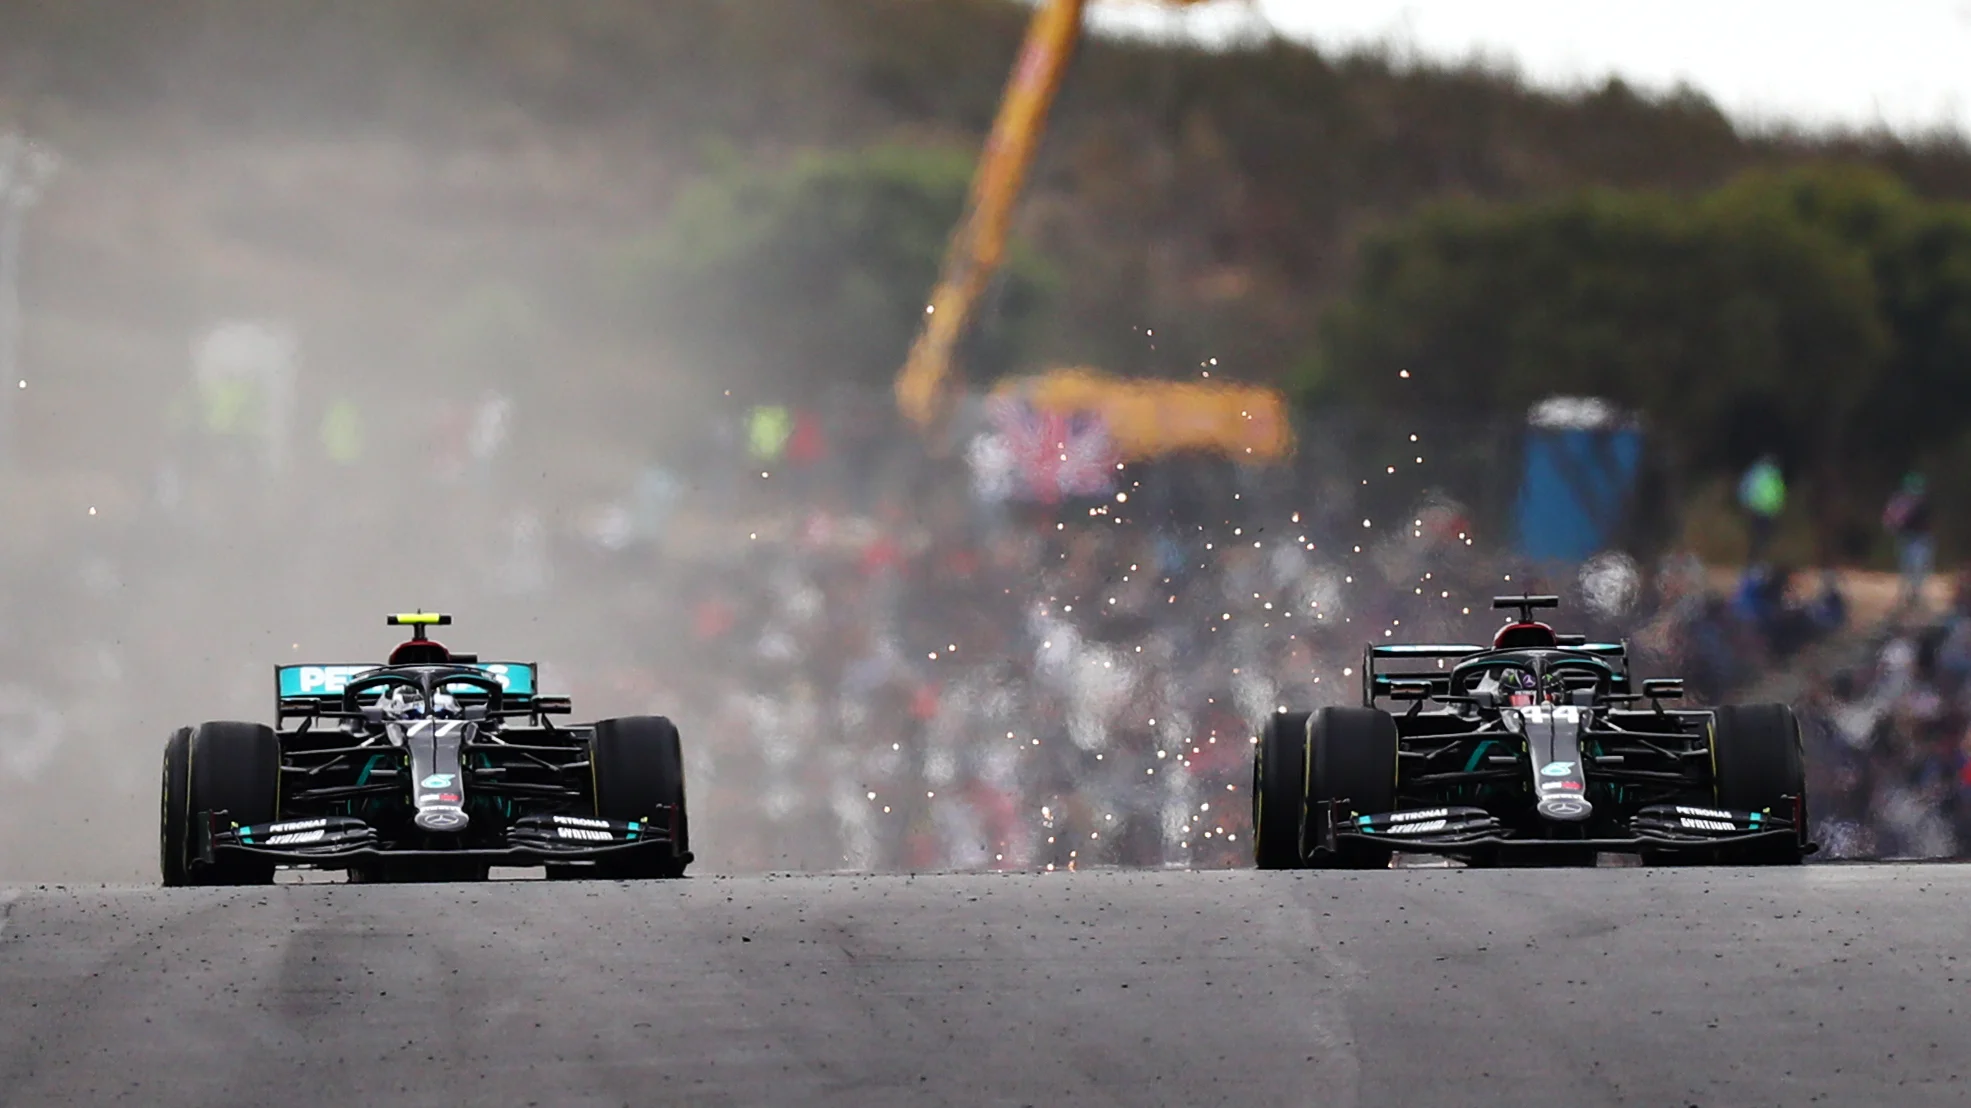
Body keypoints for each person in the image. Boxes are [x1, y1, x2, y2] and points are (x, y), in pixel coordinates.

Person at [1884, 473, 1933, 613]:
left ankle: (1915, 596)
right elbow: (1890, 521)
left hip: (1920, 539)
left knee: (1919, 569)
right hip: (1908, 539)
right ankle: (1909, 597)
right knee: (1908, 569)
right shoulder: (1900, 503)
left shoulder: (1922, 504)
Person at [1738, 454, 1785, 563]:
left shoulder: (1771, 475)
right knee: (1759, 537)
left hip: (1767, 510)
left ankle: (1760, 560)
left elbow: (1778, 493)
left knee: (1764, 538)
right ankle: (1755, 560)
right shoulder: (1758, 474)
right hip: (1759, 510)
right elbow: (1746, 490)